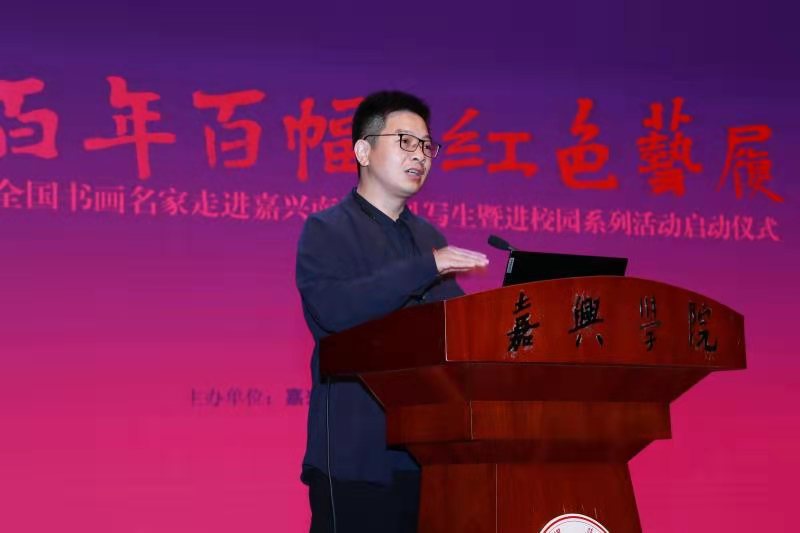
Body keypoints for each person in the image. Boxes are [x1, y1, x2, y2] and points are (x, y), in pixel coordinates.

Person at [295, 90, 488, 533]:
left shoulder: (428, 237)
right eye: (406, 141)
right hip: (355, 458)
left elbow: (456, 324)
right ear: (363, 151)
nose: (420, 155)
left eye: (427, 145)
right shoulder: (326, 230)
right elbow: (335, 312)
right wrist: (426, 267)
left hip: (428, 456)